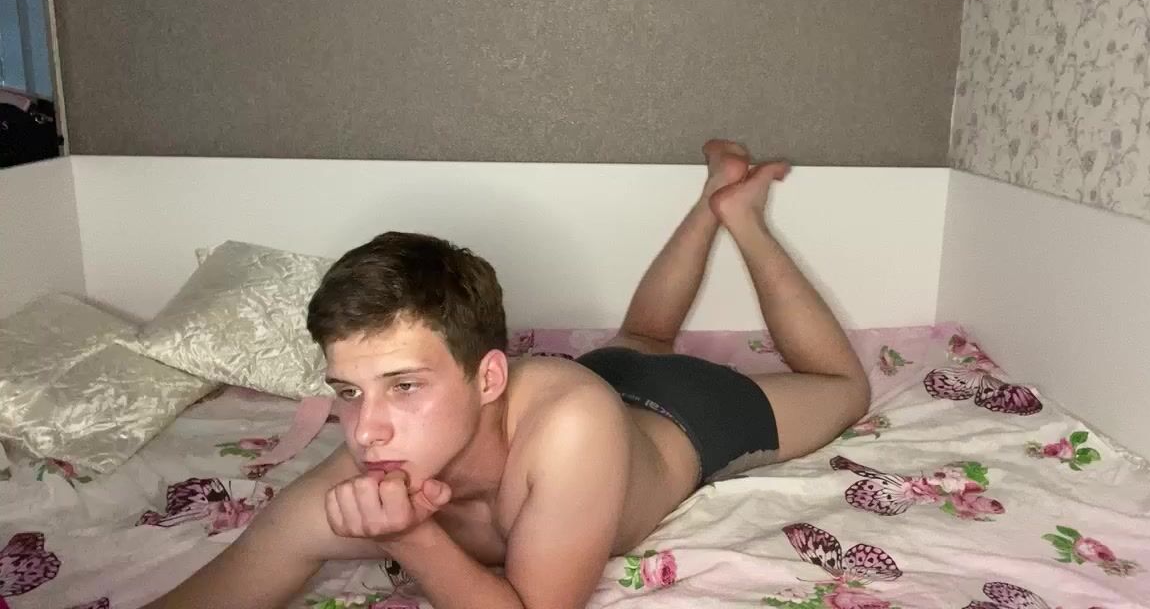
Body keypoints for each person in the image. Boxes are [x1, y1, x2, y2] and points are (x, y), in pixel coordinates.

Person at [142, 140, 870, 609]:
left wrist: (411, 538)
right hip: (605, 374)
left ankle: (742, 216)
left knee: (844, 386)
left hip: (684, 417)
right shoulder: (359, 467)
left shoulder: (572, 428)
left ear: (489, 378)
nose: (367, 432)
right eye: (349, 393)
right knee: (642, 337)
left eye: (404, 385)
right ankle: (714, 195)